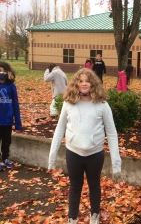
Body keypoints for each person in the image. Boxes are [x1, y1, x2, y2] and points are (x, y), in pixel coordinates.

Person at [48, 68, 122, 224]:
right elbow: (60, 129)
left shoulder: (102, 105)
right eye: (80, 81)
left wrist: (116, 162)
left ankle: (94, 217)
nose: (84, 84)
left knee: (94, 185)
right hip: (73, 153)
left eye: (87, 81)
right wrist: (52, 157)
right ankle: (72, 218)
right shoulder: (69, 104)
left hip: (95, 154)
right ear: (76, 83)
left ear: (92, 83)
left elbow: (112, 133)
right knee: (75, 187)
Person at [0, 62, 22, 170]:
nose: (2, 73)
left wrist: (18, 124)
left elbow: (15, 103)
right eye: (0, 71)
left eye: (4, 71)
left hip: (7, 120)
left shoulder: (11, 86)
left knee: (6, 140)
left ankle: (5, 158)